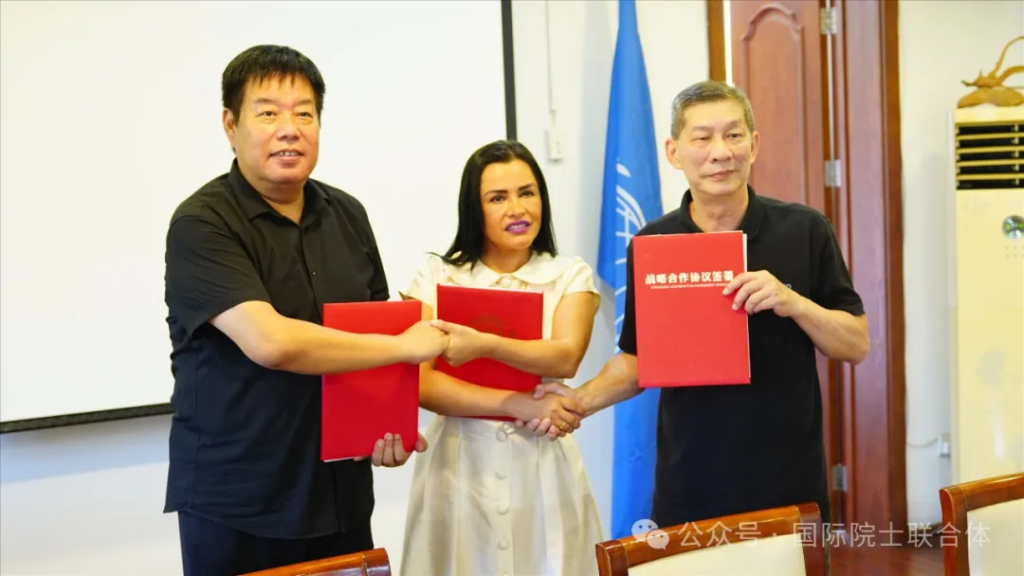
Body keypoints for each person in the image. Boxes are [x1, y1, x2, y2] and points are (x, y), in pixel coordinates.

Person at [525, 80, 870, 572]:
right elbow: (639, 359)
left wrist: (794, 302)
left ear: (754, 143)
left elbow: (855, 342)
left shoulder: (805, 229)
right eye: (702, 138)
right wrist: (573, 402)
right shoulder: (653, 242)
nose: (720, 153)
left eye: (733, 136)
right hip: (690, 484)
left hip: (787, 484)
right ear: (673, 151)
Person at [163, 45, 448, 576]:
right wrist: (405, 346)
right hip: (240, 506)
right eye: (268, 112)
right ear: (231, 124)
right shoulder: (202, 223)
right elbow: (272, 342)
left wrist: (389, 428)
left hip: (339, 497)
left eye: (305, 113)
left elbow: (371, 338)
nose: (289, 128)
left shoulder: (347, 213)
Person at [397, 140, 605, 576]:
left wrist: (485, 343)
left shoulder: (569, 274)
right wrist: (515, 403)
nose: (517, 209)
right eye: (498, 198)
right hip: (457, 462)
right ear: (474, 208)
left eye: (527, 193)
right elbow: (423, 382)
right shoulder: (438, 276)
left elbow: (565, 357)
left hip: (543, 459)